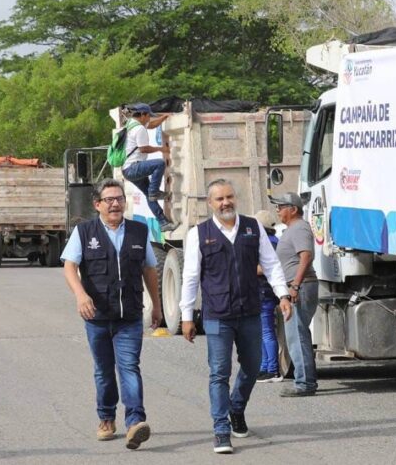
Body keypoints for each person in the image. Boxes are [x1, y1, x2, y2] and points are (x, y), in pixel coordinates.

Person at [180, 179, 293, 454]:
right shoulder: (199, 233)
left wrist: (283, 295)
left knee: (254, 366)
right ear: (210, 203)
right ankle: (221, 429)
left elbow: (271, 264)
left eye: (229, 197)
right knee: (219, 372)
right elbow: (191, 276)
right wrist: (186, 315)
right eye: (219, 199)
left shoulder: (253, 229)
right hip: (217, 315)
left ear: (236, 198)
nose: (225, 203)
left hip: (249, 312)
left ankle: (236, 408)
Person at [61, 178, 163, 450]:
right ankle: (106, 418)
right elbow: (70, 266)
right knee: (104, 372)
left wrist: (157, 304)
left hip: (129, 315)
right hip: (97, 316)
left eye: (119, 198)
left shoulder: (139, 232)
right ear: (98, 205)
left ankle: (135, 422)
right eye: (109, 199)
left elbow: (149, 270)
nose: (115, 203)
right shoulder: (84, 232)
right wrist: (81, 295)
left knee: (129, 366)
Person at [270, 192, 320, 397]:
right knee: (298, 335)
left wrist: (295, 286)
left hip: (301, 287)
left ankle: (304, 383)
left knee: (296, 336)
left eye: (281, 206)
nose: (278, 210)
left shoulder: (299, 228)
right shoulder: (291, 229)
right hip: (297, 286)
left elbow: (306, 256)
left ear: (293, 209)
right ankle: (306, 380)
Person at [120, 103, 177, 232]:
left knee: (148, 195)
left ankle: (163, 223)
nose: (149, 119)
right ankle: (154, 192)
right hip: (133, 168)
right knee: (159, 163)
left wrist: (164, 117)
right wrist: (162, 149)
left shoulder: (131, 123)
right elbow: (143, 148)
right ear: (143, 115)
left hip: (127, 170)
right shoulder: (138, 128)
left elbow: (151, 125)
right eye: (148, 116)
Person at [253, 209, 283, 383]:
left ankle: (272, 369)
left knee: (266, 332)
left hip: (264, 291)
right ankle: (264, 367)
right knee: (261, 332)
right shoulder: (272, 241)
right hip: (262, 291)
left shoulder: (269, 243)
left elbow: (265, 268)